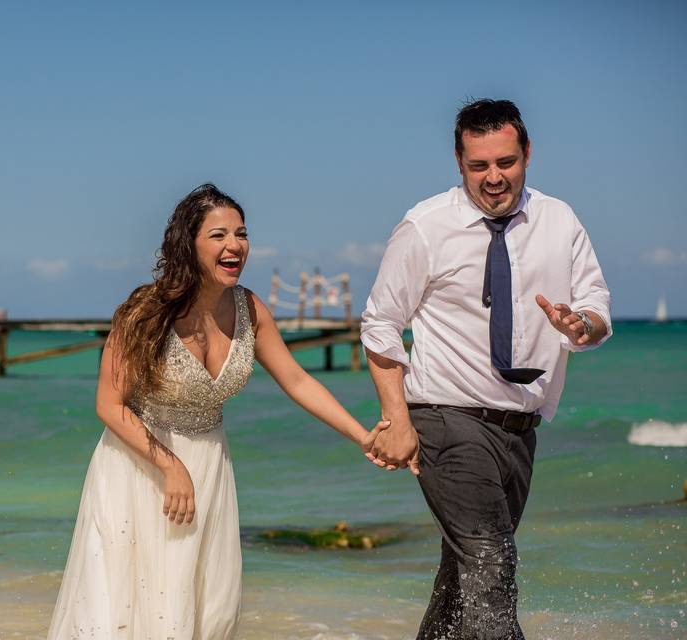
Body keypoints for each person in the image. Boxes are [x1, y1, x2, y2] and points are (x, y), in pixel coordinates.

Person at [47, 183, 386, 639]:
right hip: (139, 467)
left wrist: (363, 436)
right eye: (219, 235)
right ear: (189, 244)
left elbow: (298, 380)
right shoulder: (145, 312)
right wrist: (171, 466)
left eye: (241, 234)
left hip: (210, 466)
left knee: (210, 610)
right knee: (138, 609)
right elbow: (108, 405)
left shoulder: (249, 309)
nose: (234, 246)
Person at [360, 99, 611, 639]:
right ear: (459, 162)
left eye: (506, 162)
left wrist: (580, 325)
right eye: (479, 166)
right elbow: (380, 324)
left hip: (520, 431)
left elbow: (597, 309)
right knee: (492, 568)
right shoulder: (425, 226)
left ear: (526, 154)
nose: (494, 178)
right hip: (447, 421)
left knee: (462, 581)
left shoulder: (559, 219)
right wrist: (396, 418)